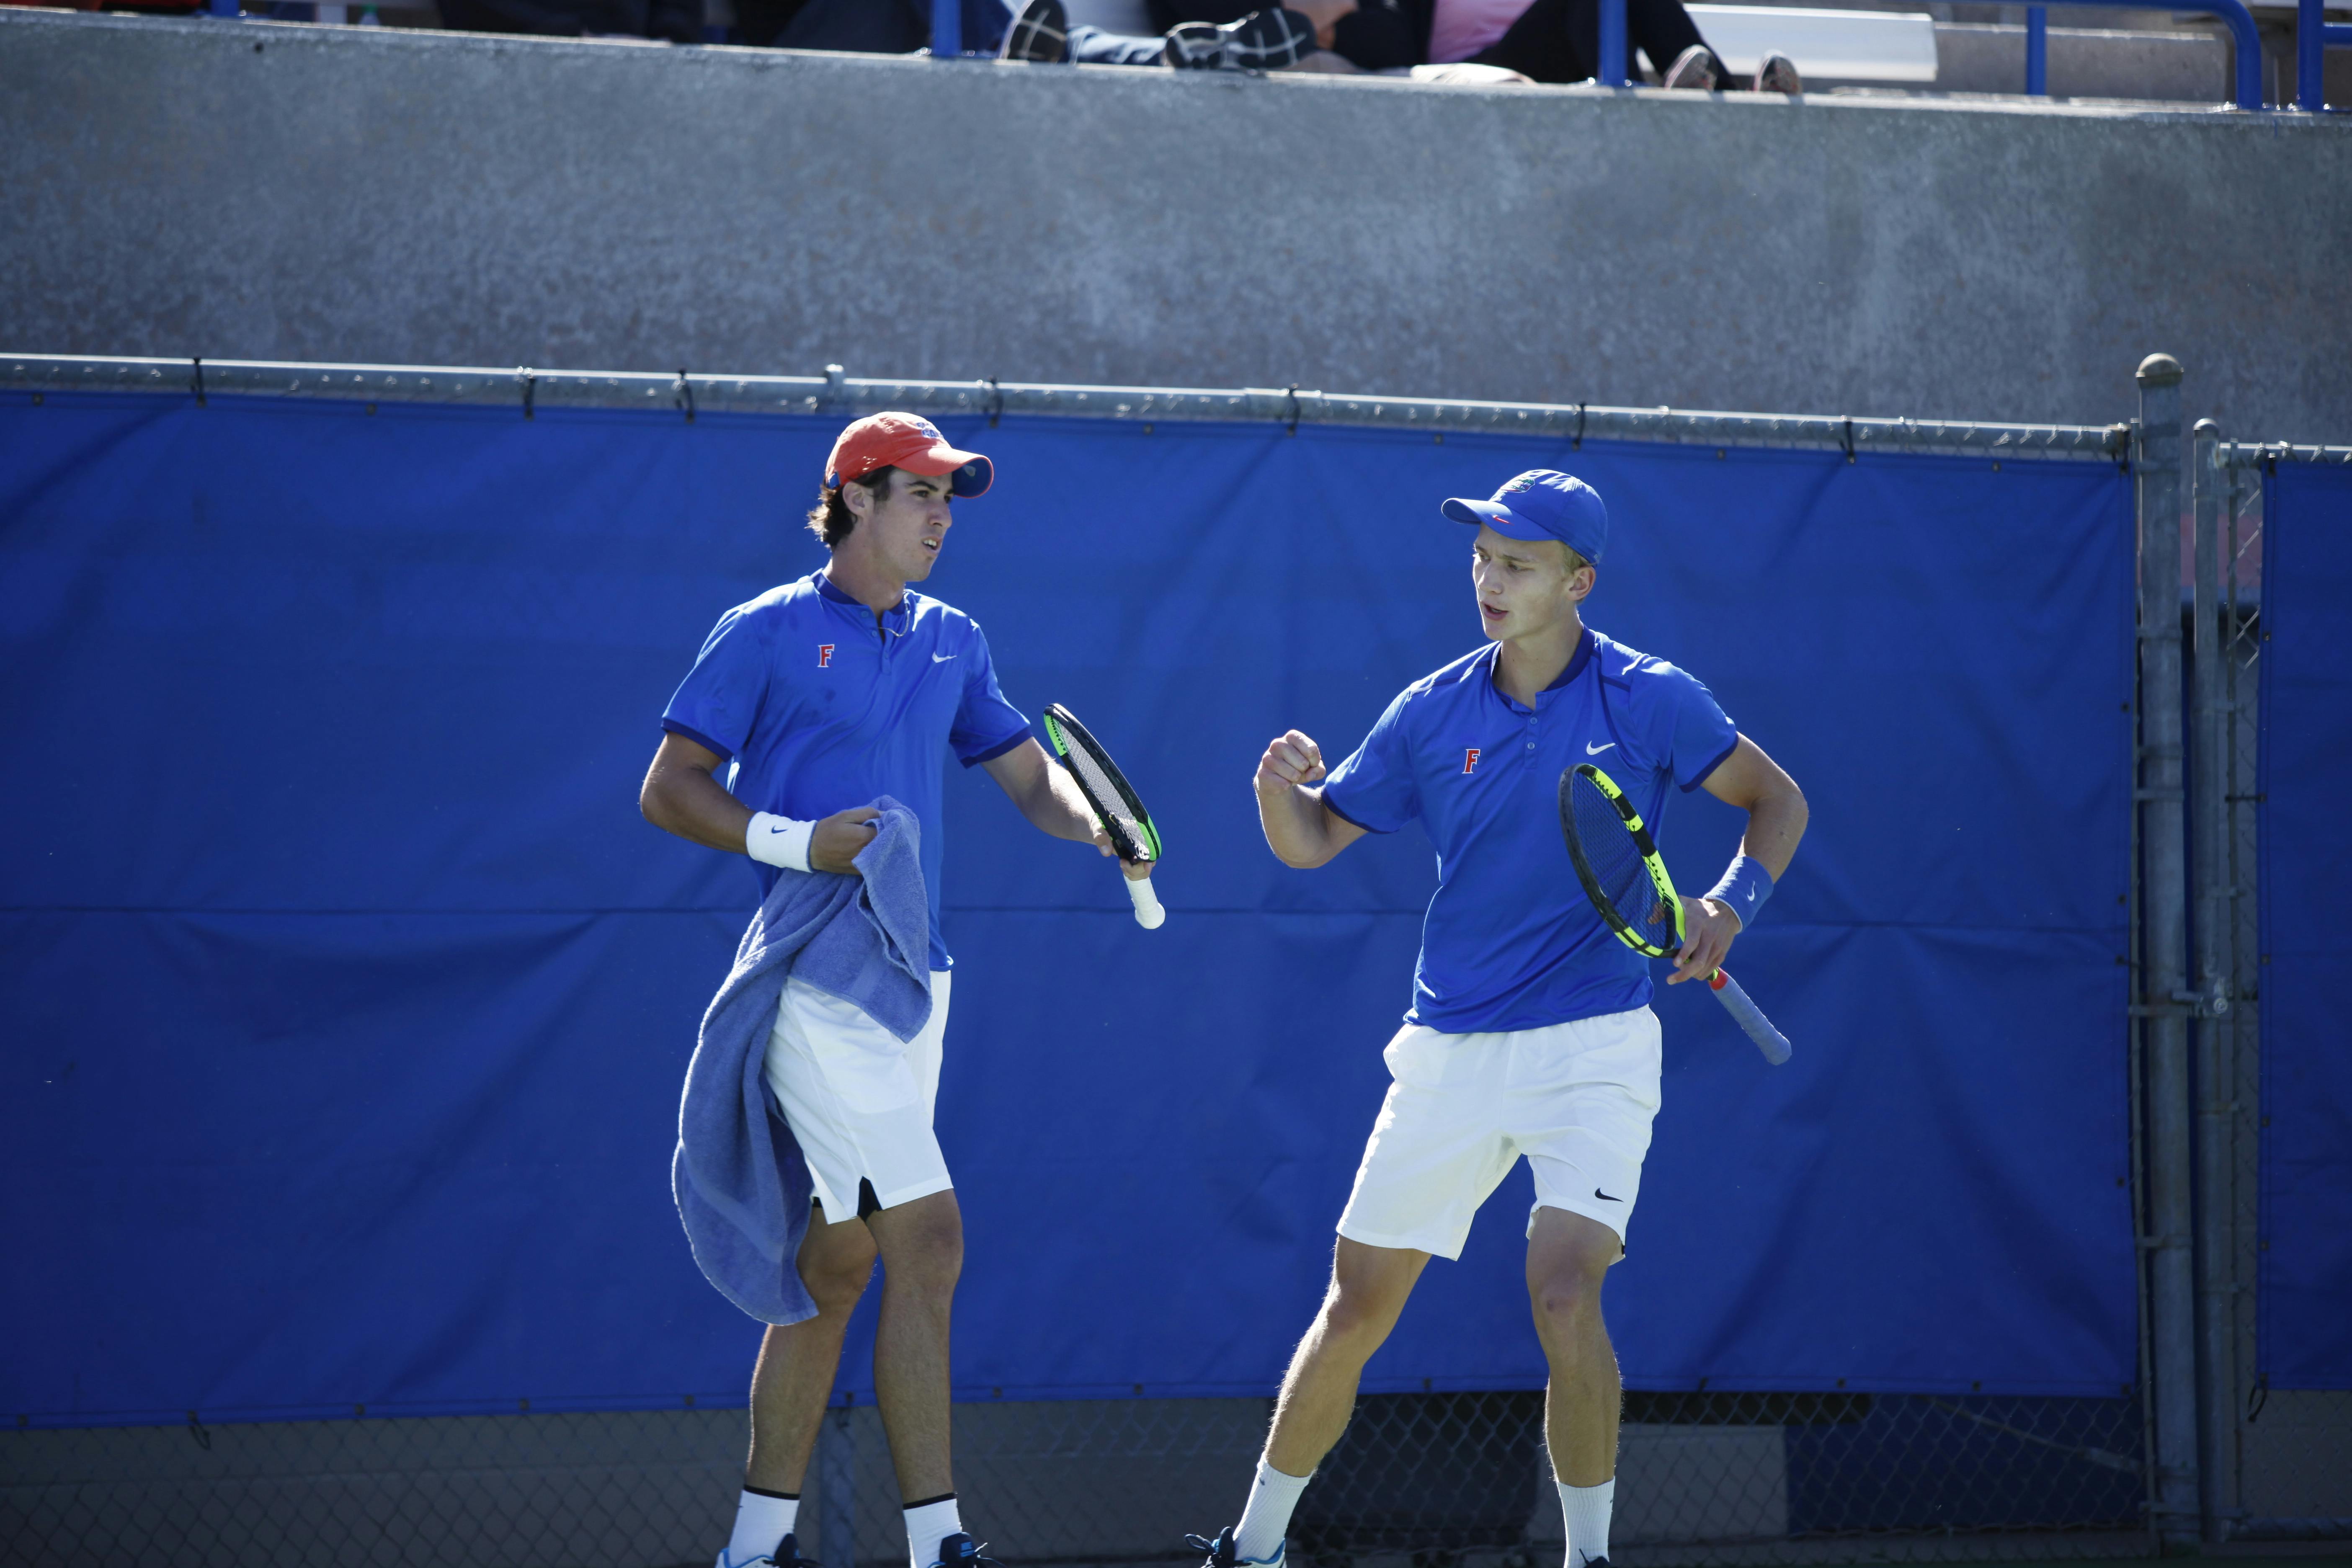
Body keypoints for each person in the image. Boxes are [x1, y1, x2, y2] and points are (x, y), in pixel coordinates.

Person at [1188, 470, 1807, 1568]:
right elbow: (1315, 842)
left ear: (1580, 581)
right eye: (1481, 556)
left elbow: (1778, 801)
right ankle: (1254, 1548)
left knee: (1566, 1295)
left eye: (1517, 564)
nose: (1488, 577)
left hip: (1597, 1045)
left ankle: (1588, 1558)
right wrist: (1276, 796)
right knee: (1356, 1305)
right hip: (1450, 1050)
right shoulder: (1428, 710)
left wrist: (1729, 903)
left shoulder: (1654, 696)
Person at [640, 413, 1144, 1568]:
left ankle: (753, 1547)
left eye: (950, 500)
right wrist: (796, 840)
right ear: (854, 499)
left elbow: (1030, 779)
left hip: (919, 982)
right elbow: (669, 788)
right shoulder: (764, 630)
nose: (939, 518)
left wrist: (1097, 829)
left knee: (844, 1260)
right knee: (930, 1240)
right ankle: (941, 1543)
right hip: (816, 976)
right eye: (919, 494)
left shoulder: (955, 640)